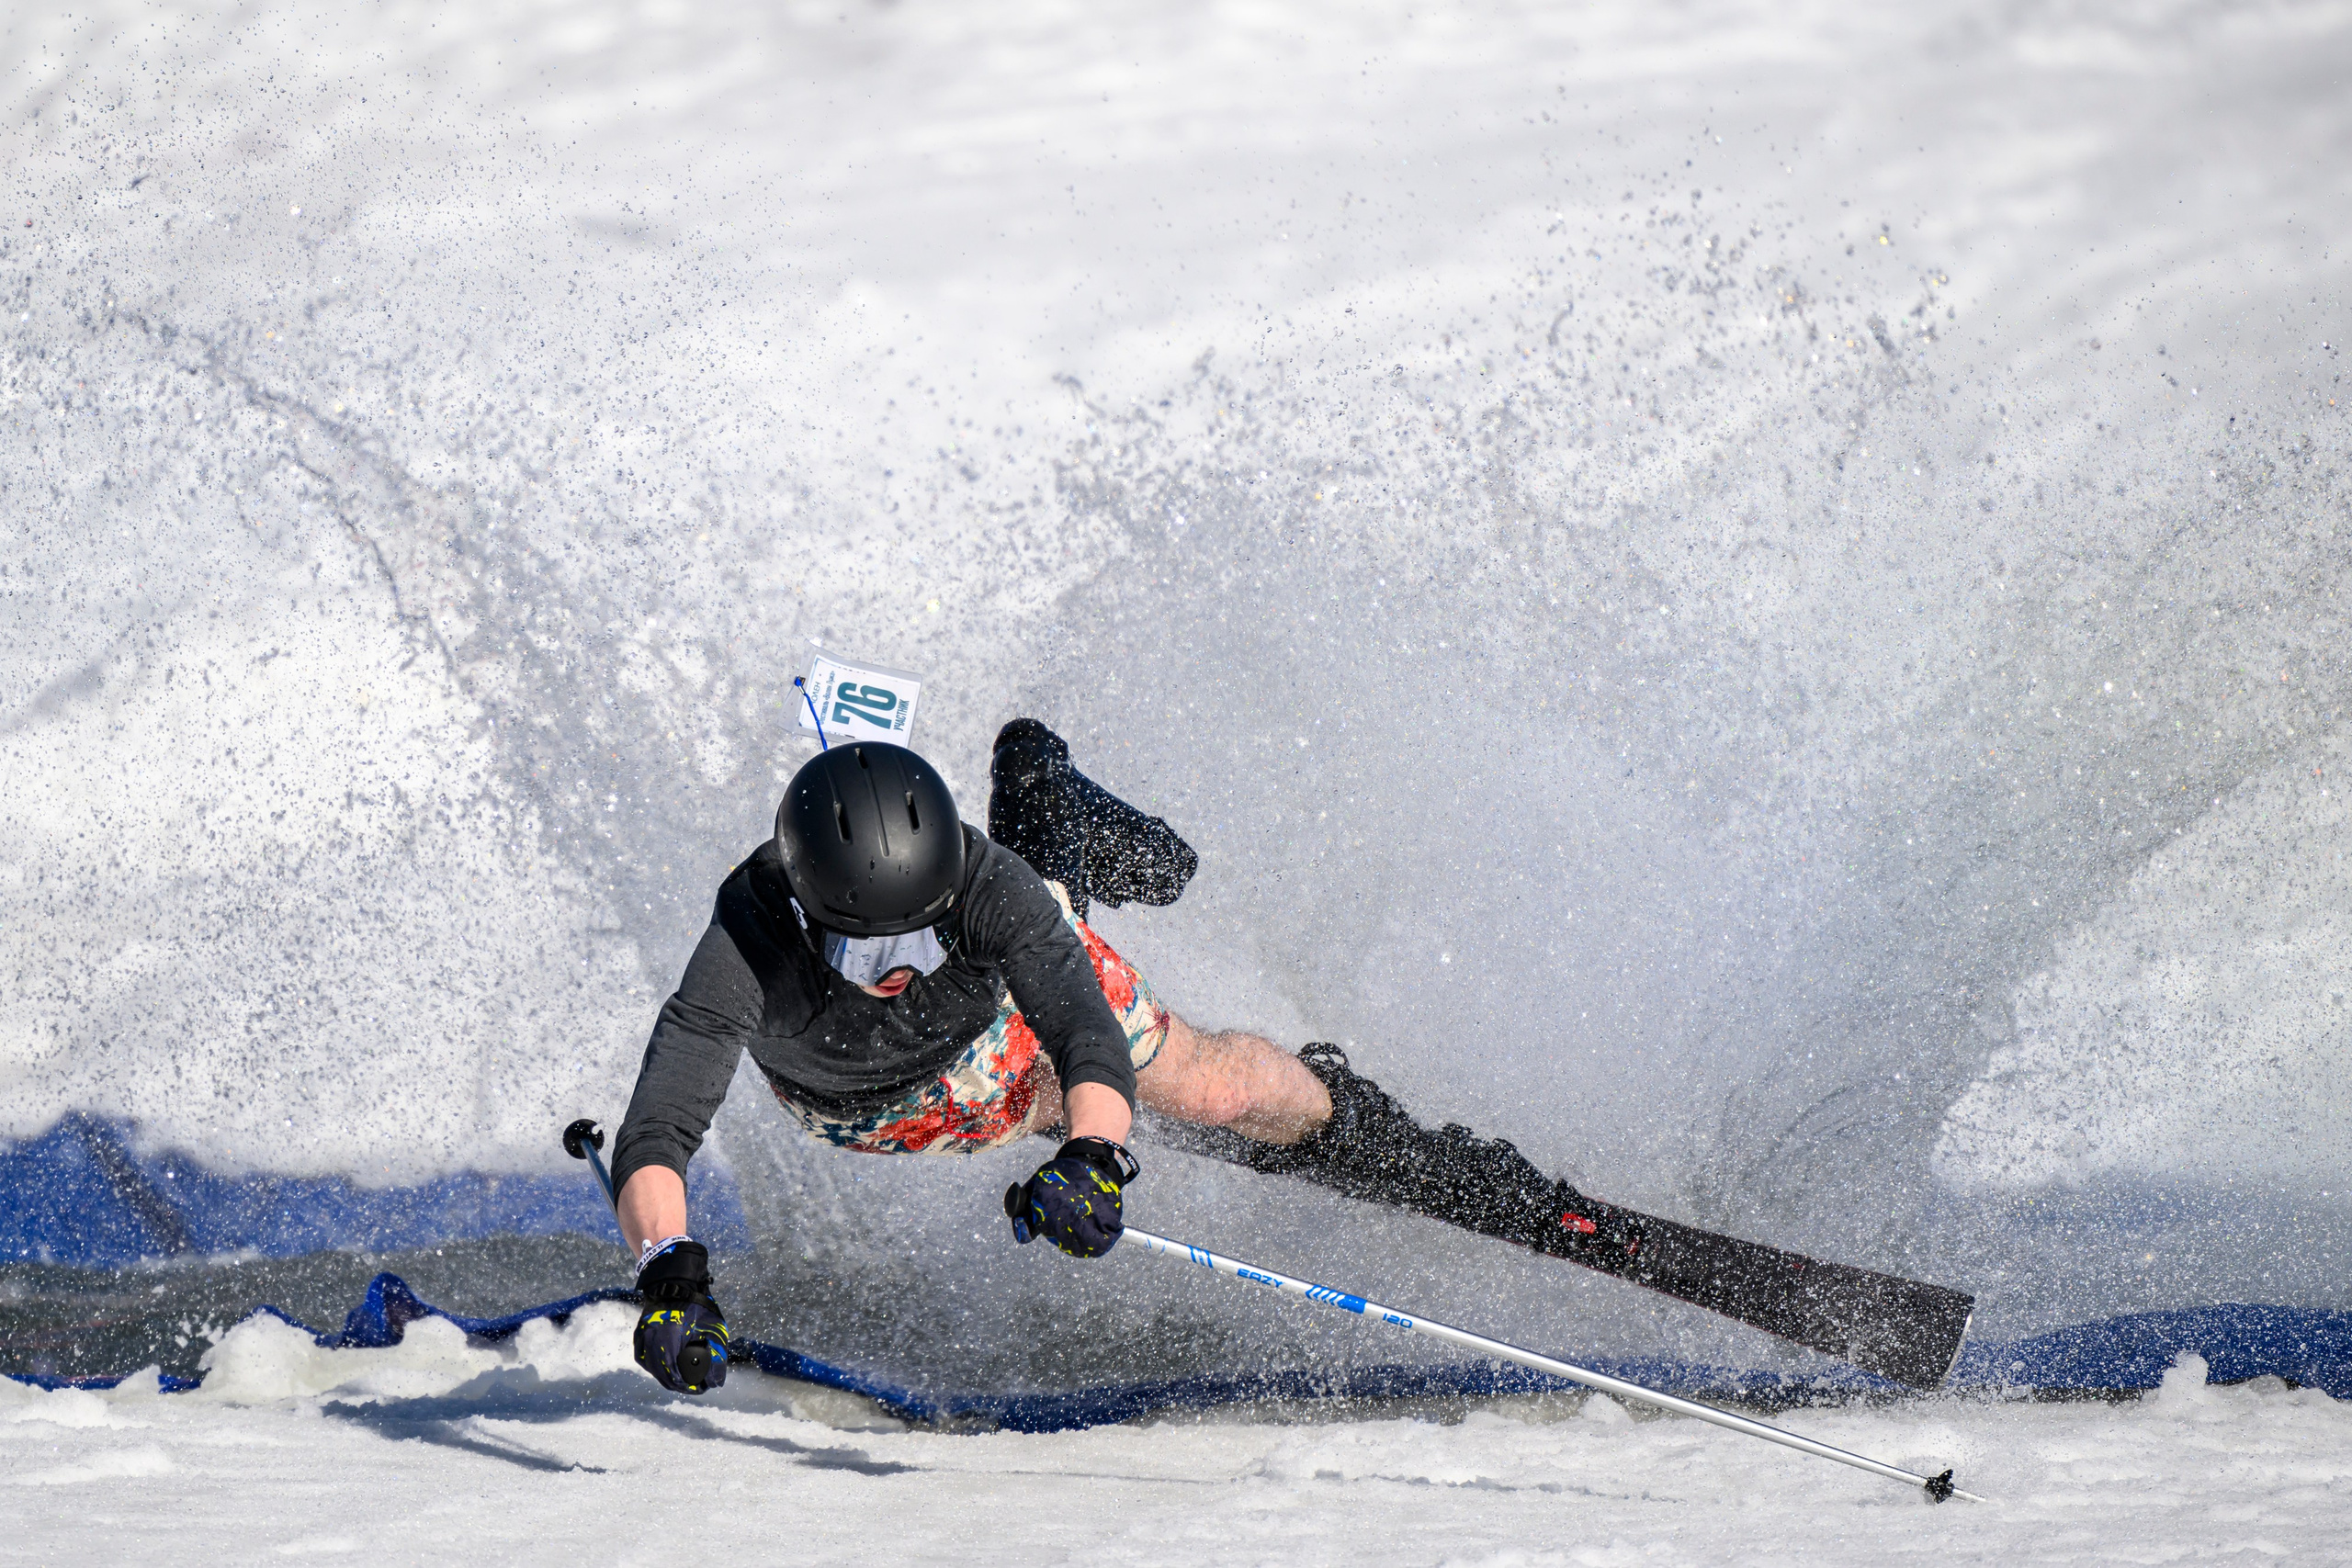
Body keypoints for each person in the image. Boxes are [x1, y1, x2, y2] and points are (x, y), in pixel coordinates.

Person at [613, 720, 1606, 1393]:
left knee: (1206, 1088)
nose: (899, 975)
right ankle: (1046, 794)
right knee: (1049, 1096)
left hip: (1006, 1017)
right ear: (803, 907)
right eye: (867, 952)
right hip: (870, 1110)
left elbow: (1088, 1034)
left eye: (919, 942)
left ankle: (1389, 1138)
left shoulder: (991, 892)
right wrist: (668, 1273)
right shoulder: (744, 941)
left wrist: (1095, 1161)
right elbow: (660, 1128)